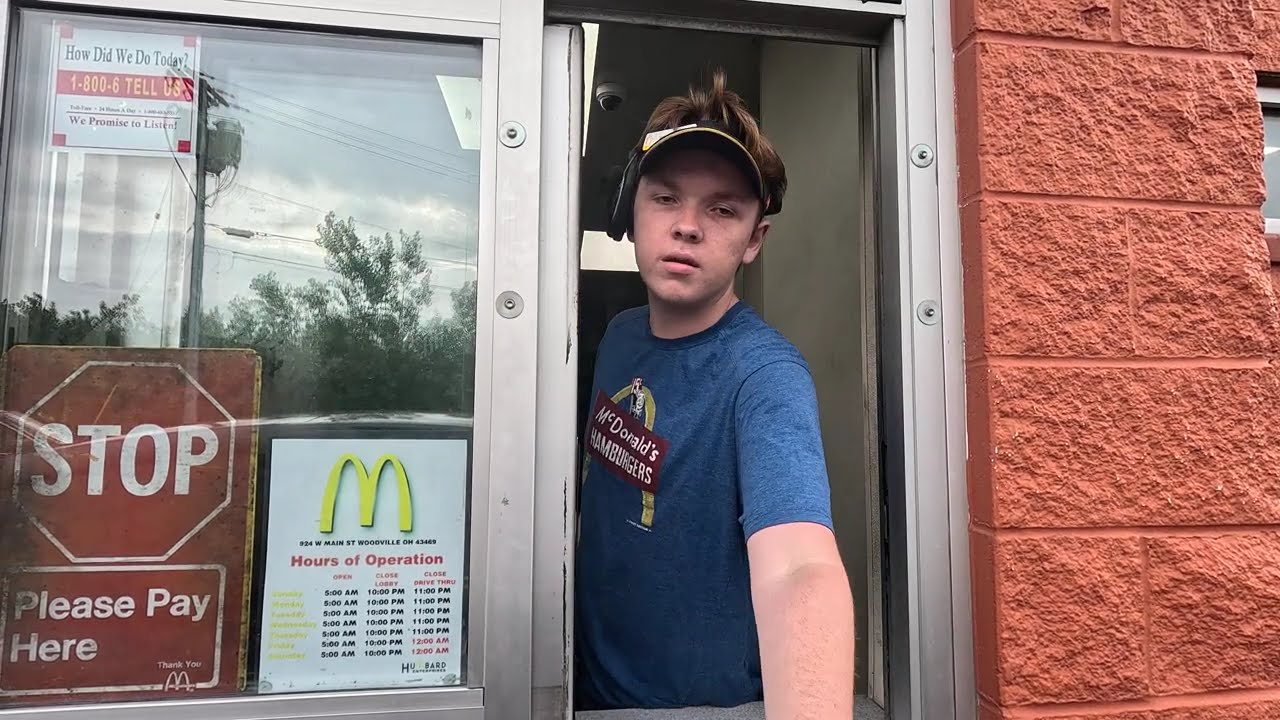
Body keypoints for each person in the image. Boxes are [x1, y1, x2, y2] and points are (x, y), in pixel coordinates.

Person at [574, 68, 856, 719]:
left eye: (722, 209)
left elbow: (797, 569)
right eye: (666, 198)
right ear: (629, 209)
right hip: (584, 678)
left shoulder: (766, 377)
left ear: (755, 238)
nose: (688, 227)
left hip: (694, 707)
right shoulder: (618, 337)